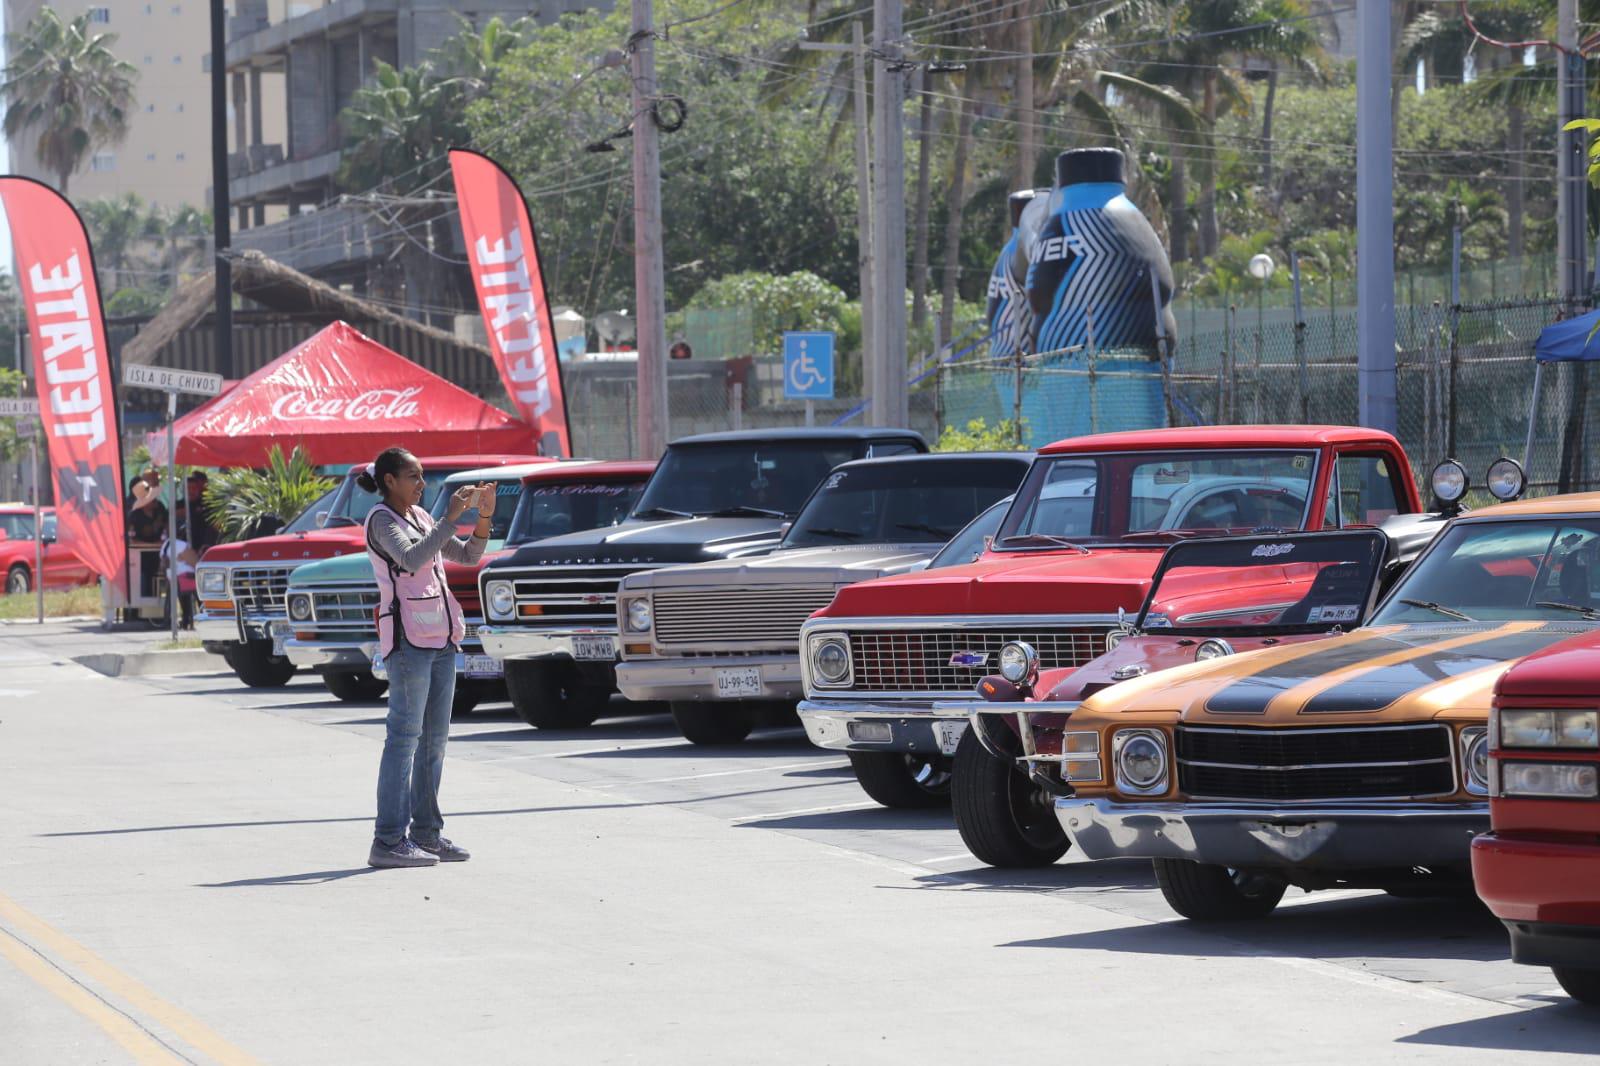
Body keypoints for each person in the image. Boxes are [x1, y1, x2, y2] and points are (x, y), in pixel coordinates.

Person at [360, 447, 495, 869]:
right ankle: (387, 840)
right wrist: (450, 518)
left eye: (422, 476)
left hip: (440, 635)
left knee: (434, 742)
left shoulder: (420, 518)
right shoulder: (382, 520)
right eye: (413, 477)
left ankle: (426, 834)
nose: (422, 484)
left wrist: (485, 517)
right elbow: (412, 558)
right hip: (406, 640)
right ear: (389, 481)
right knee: (404, 738)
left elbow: (469, 557)